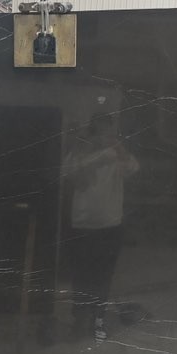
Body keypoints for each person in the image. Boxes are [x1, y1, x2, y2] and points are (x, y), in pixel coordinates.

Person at [64, 114, 139, 341]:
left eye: (108, 132)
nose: (102, 137)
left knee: (103, 275)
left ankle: (98, 318)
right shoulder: (78, 155)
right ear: (91, 133)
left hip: (110, 224)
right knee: (81, 275)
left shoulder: (116, 155)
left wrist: (118, 148)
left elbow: (133, 167)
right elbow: (69, 172)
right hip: (82, 224)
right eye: (98, 132)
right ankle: (80, 319)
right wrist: (87, 149)